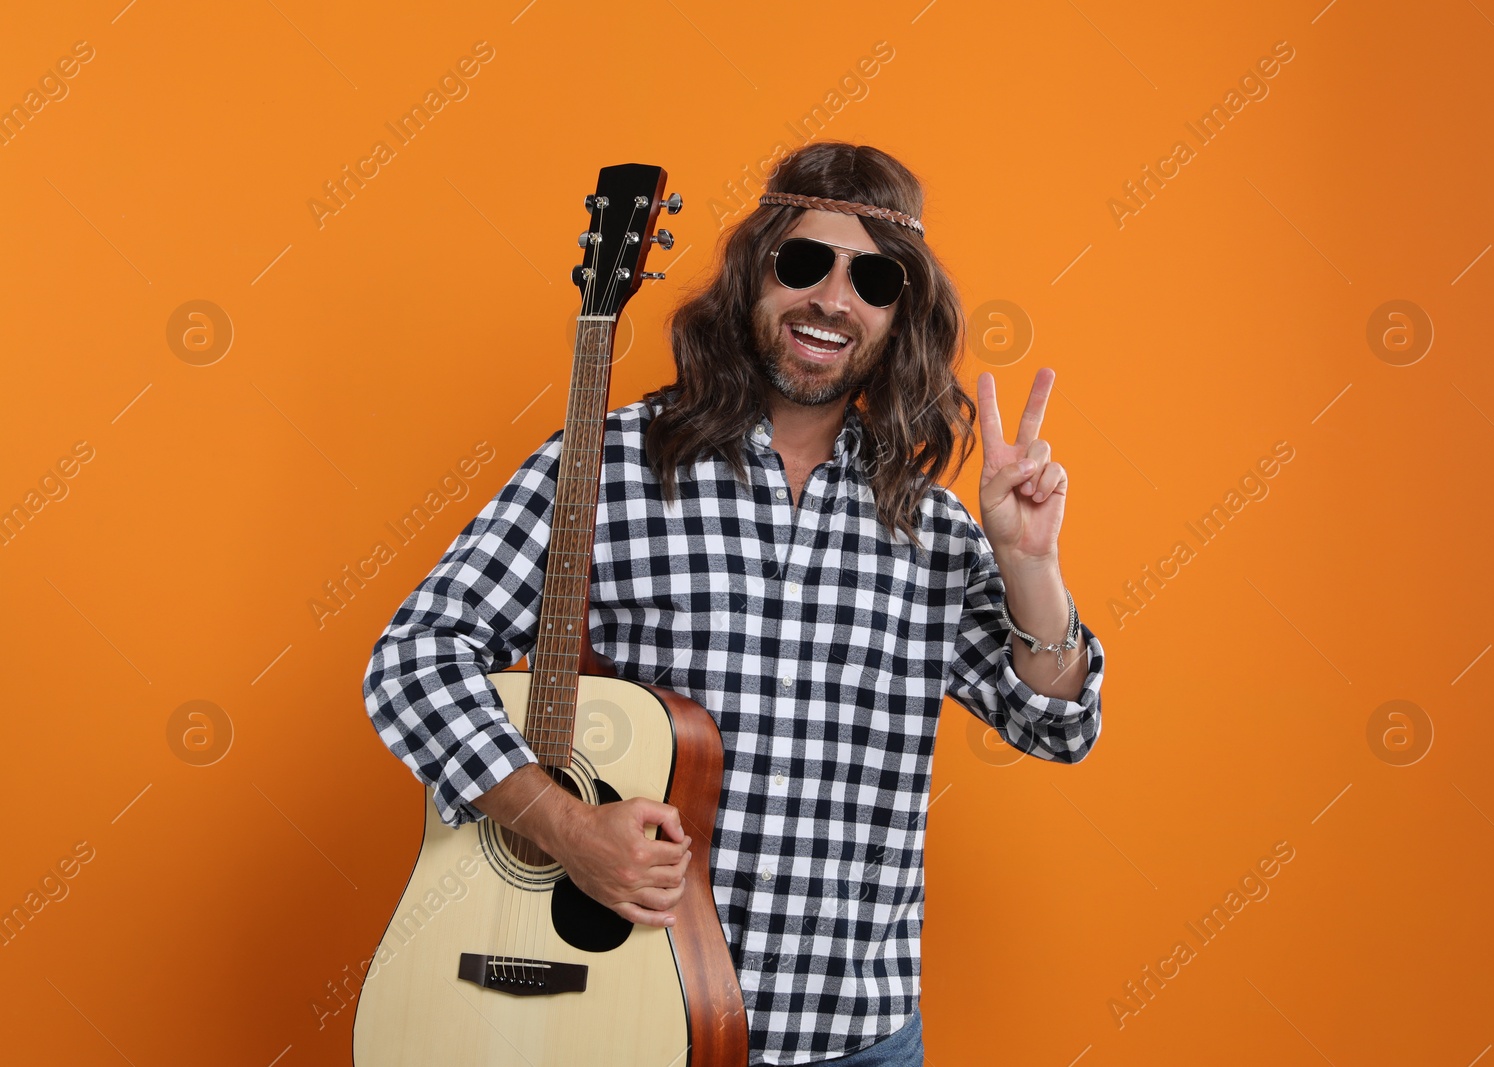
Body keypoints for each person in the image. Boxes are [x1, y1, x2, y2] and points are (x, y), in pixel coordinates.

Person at [362, 140, 1106, 1067]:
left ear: (898, 315)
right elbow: (414, 660)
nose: (833, 300)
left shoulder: (934, 527)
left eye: (873, 280)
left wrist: (1032, 564)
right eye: (805, 263)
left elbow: (1058, 727)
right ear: (754, 275)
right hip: (625, 1020)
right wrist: (563, 826)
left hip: (852, 1039)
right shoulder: (614, 464)